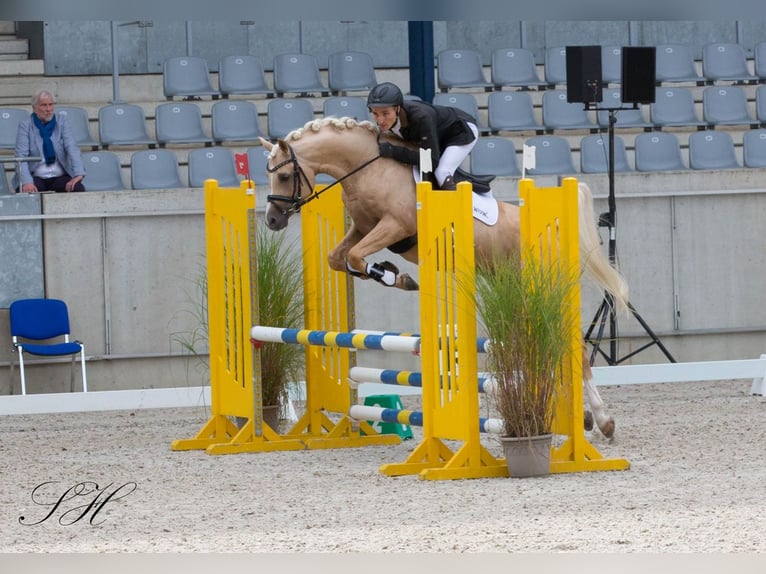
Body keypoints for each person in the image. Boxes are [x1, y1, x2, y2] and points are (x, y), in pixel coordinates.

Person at [367, 82, 478, 190]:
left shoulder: (421, 117)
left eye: (385, 113)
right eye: (375, 114)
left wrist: (394, 151)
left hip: (462, 131)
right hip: (439, 133)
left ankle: (460, 207)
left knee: (441, 173)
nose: (380, 120)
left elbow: (430, 161)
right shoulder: (391, 120)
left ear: (397, 109)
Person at [15, 90, 86, 193]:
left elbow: (72, 147)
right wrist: (27, 181)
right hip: (35, 176)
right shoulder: (25, 125)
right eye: (44, 105)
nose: (48, 109)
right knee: (27, 191)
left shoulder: (61, 121)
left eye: (50, 104)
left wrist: (78, 173)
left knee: (77, 188)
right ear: (34, 108)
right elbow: (21, 156)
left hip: (60, 176)